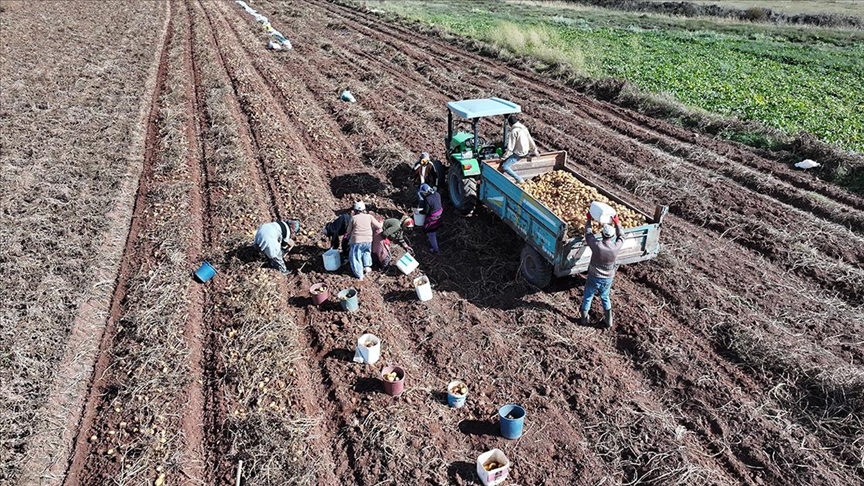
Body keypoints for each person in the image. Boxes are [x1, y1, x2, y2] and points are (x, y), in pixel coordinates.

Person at [578, 213, 625, 328]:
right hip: (608, 278)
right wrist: (617, 223)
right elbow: (622, 237)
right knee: (605, 297)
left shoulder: (597, 245)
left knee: (588, 296)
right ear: (612, 236)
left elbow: (588, 234)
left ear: (602, 234)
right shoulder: (616, 247)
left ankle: (584, 319)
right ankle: (609, 321)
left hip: (594, 276)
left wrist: (589, 220)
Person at [499, 115, 539, 184]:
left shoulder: (514, 131)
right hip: (527, 151)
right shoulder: (524, 128)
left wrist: (504, 157)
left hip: (519, 154)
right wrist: (534, 149)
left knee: (504, 166)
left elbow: (510, 147)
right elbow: (530, 139)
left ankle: (519, 179)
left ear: (510, 124)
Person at [347, 201, 382, 279]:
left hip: (357, 240)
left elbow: (348, 231)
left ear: (355, 210)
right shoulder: (369, 216)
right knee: (366, 252)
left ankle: (359, 274)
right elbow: (379, 226)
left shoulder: (354, 218)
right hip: (368, 240)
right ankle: (367, 267)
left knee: (356, 256)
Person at [418, 184, 443, 253]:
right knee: (436, 228)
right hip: (439, 213)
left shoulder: (428, 199)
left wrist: (420, 212)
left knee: (431, 233)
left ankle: (435, 249)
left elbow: (426, 211)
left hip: (433, 217)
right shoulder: (437, 194)